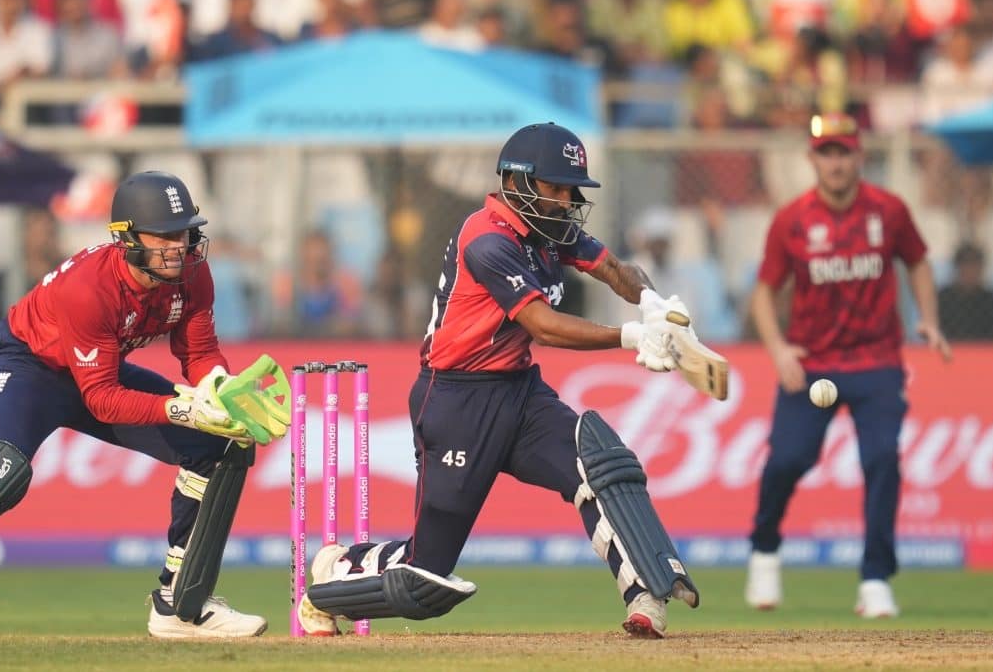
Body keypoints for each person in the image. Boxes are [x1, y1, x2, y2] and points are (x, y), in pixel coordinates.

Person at [297, 122, 704, 639]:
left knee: (599, 464)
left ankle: (645, 593)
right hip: (456, 401)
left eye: (570, 190)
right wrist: (632, 336)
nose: (565, 201)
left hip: (518, 390)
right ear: (518, 183)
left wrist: (655, 305)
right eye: (554, 188)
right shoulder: (487, 239)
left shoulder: (551, 230)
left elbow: (618, 270)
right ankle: (331, 585)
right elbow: (542, 325)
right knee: (427, 578)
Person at [0, 171, 291, 637]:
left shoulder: (193, 275)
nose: (177, 247)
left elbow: (199, 354)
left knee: (220, 445)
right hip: (28, 367)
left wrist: (218, 391)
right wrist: (184, 409)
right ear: (126, 238)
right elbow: (102, 401)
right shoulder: (89, 288)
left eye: (182, 233)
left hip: (96, 367)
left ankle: (182, 606)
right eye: (162, 236)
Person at [745, 113, 952, 618]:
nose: (835, 163)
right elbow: (764, 292)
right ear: (811, 159)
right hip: (811, 361)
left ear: (861, 156)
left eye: (844, 153)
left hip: (877, 360)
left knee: (882, 460)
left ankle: (876, 579)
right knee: (787, 461)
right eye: (825, 153)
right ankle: (765, 549)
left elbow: (918, 261)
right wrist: (777, 349)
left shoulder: (889, 210)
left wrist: (928, 319)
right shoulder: (792, 219)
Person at [938, 242, 993, 341]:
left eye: (974, 265)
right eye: (965, 264)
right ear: (957, 267)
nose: (970, 270)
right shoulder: (943, 299)